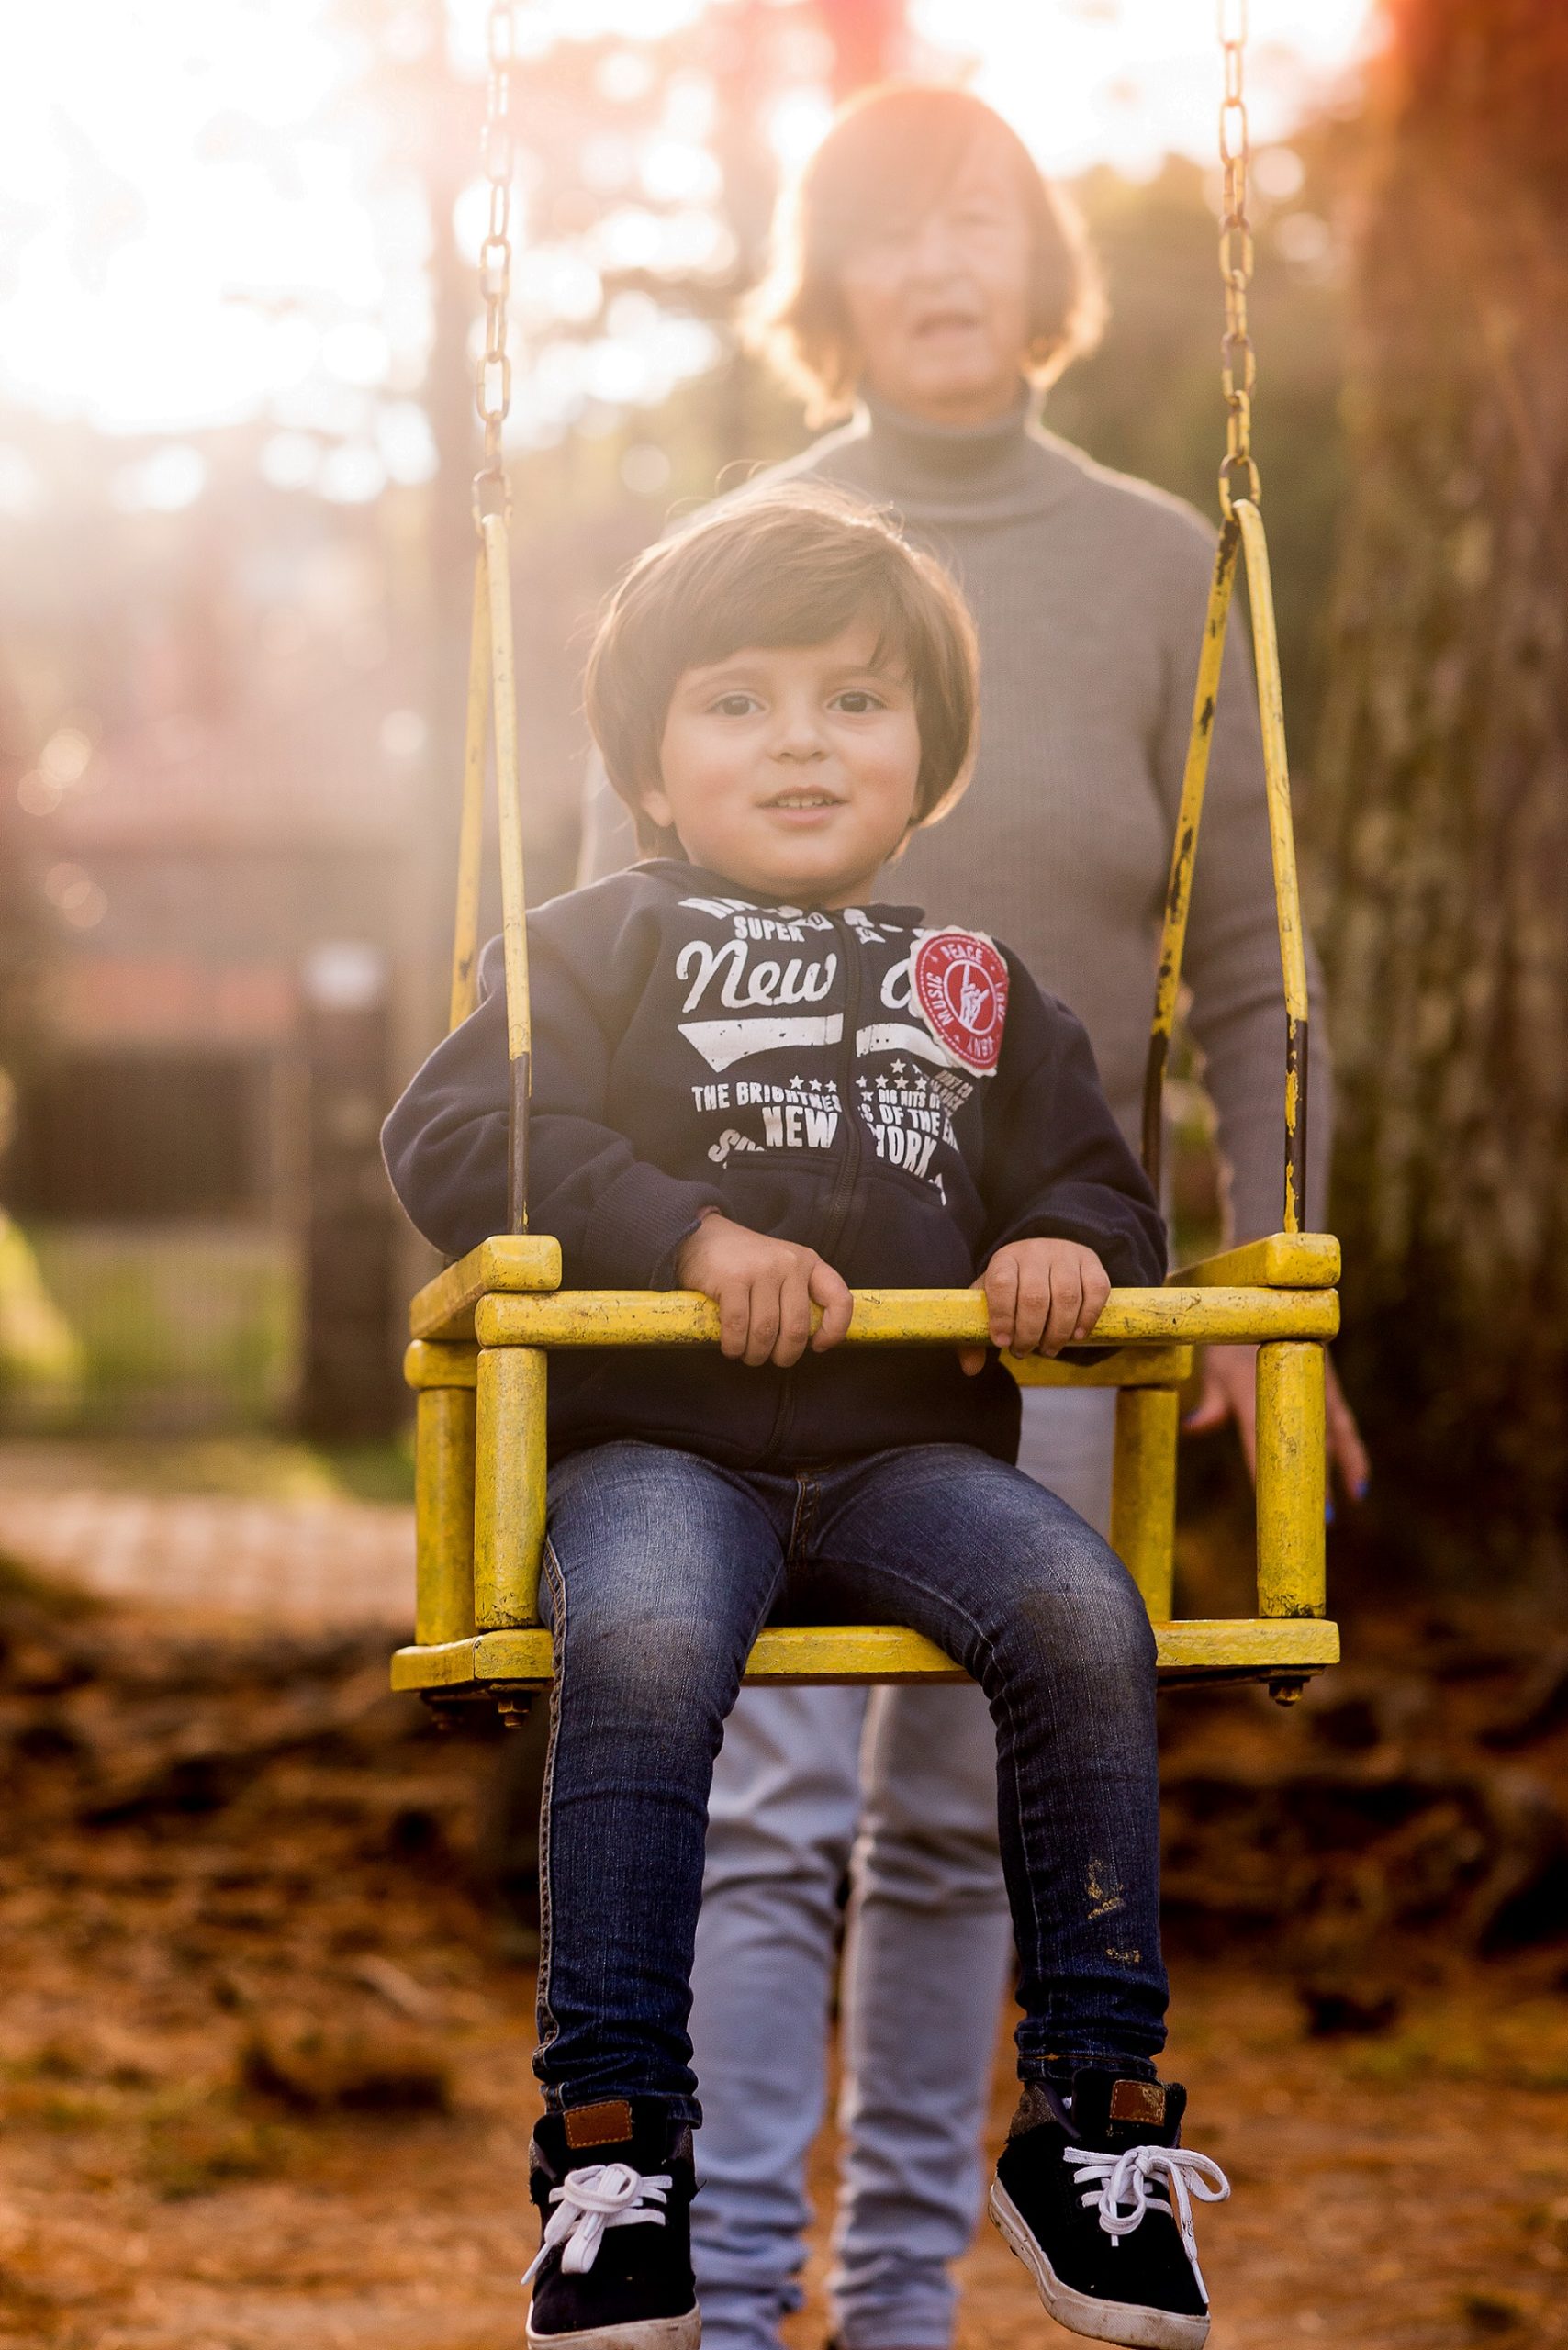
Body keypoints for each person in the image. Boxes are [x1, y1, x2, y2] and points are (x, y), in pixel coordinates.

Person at [577, 84, 1365, 2350]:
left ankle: (901, 2292)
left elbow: (1243, 968)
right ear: (824, 277)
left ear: (1042, 266)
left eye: (982, 221)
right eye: (892, 227)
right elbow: (584, 945)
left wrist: (1252, 1280)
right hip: (758, 1307)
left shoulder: (1157, 559)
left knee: (957, 1807)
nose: (943, 263)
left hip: (1042, 1280)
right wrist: (633, 1243)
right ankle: (724, 2297)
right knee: (759, 1809)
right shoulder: (738, 559)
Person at [384, 491, 1231, 2350]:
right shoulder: (584, 946)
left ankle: (1091, 2114)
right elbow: (455, 1139)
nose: (796, 741)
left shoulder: (983, 988)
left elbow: (1102, 1192)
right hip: (655, 1453)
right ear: (646, 757)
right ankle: (616, 2150)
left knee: (1083, 1610)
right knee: (645, 1636)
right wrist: (681, 1230)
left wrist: (1053, 1254)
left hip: (900, 1460)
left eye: (853, 701)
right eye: (736, 701)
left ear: (925, 753)